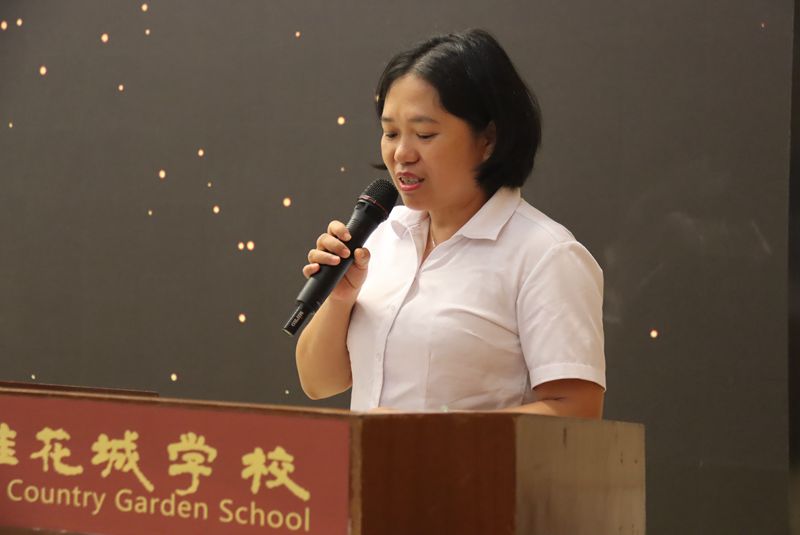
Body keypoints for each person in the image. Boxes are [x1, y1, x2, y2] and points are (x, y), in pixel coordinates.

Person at [295, 29, 605, 418]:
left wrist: (423, 436)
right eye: (390, 133)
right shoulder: (382, 238)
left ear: (488, 139)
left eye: (425, 134)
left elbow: (577, 410)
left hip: (465, 464)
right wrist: (340, 299)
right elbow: (318, 383)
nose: (401, 153)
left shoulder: (546, 255)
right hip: (366, 461)